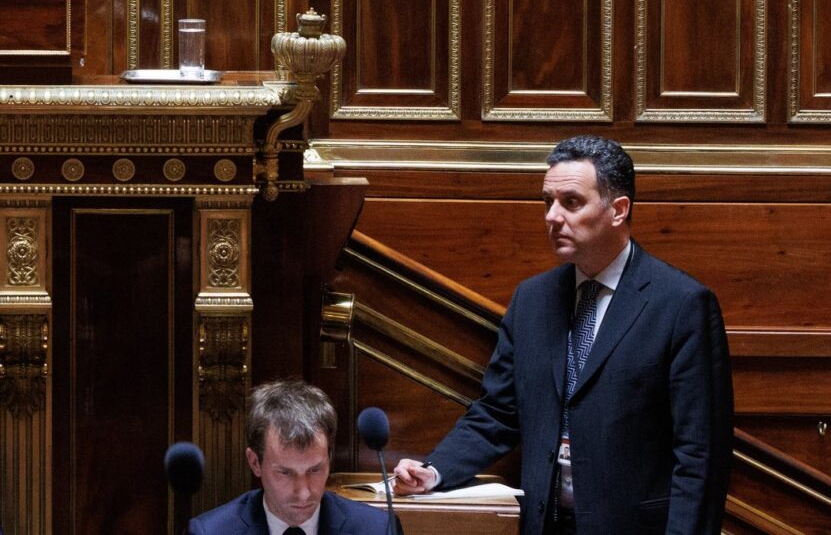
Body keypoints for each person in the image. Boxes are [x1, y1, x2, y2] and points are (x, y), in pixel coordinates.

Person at [390, 136, 732, 535]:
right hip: (545, 524)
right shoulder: (532, 300)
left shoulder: (681, 305)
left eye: (571, 202)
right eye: (547, 201)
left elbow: (700, 456)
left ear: (618, 210)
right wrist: (434, 471)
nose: (552, 217)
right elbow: (497, 413)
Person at [186, 380, 392, 535]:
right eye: (285, 472)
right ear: (255, 462)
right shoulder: (209, 532)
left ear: (329, 457)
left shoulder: (377, 529)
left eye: (315, 470)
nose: (303, 493)